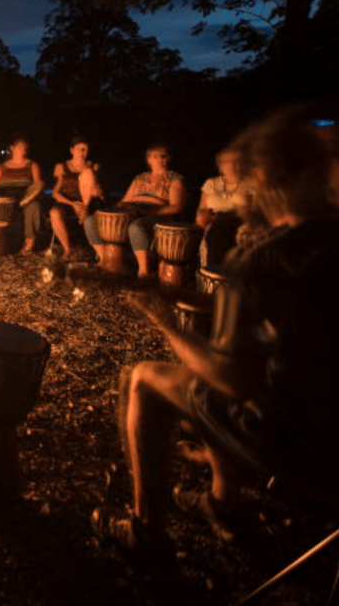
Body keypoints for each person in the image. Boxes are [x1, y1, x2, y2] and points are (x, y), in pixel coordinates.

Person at [92, 105, 339, 552]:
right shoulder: (326, 242)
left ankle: (146, 532)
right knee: (216, 375)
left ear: (264, 180)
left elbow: (231, 379)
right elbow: (272, 315)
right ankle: (223, 503)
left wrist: (165, 321)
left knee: (145, 378)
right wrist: (176, 294)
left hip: (309, 445)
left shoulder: (264, 257)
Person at [83, 143, 186, 278]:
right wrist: (115, 208)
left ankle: (143, 271)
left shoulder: (175, 179)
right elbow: (125, 201)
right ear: (148, 160)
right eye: (155, 156)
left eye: (163, 156)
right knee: (91, 221)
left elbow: (177, 206)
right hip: (133, 212)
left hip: (156, 215)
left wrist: (148, 212)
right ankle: (105, 259)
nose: (159, 160)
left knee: (136, 227)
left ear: (169, 158)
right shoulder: (140, 178)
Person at [0, 135, 44, 255]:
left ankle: (29, 243)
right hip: (5, 197)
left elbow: (38, 185)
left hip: (24, 197)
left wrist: (29, 196)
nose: (21, 149)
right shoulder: (1, 167)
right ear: (12, 148)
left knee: (34, 205)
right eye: (19, 146)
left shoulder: (32, 165)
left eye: (24, 147)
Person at [48, 135, 103, 260]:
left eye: (86, 149)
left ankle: (84, 212)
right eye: (80, 149)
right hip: (68, 202)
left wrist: (97, 191)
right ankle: (68, 249)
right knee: (54, 213)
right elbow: (55, 192)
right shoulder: (62, 167)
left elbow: (99, 191)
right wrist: (72, 204)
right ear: (72, 150)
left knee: (88, 173)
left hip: (88, 203)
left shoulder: (93, 166)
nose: (84, 152)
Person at [195, 147, 249, 268]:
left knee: (220, 228)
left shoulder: (251, 183)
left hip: (240, 226)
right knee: (217, 230)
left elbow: (255, 210)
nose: (230, 165)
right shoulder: (211, 183)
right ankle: (214, 272)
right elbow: (201, 208)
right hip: (214, 226)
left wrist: (223, 216)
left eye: (234, 161)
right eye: (226, 161)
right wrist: (201, 216)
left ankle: (220, 271)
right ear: (220, 164)